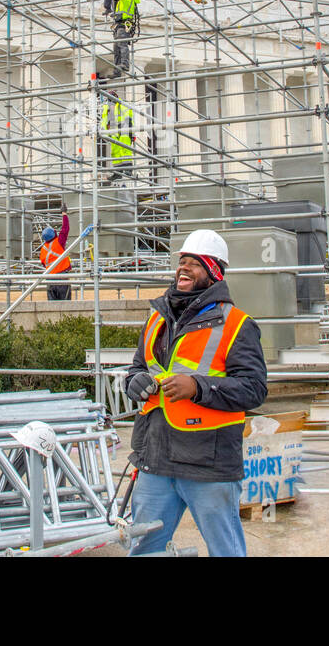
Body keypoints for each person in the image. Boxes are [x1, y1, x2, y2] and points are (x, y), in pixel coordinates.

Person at [124, 229, 268, 557]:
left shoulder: (236, 325)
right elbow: (136, 369)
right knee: (145, 549)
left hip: (208, 465)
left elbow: (255, 389)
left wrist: (198, 387)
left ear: (214, 273)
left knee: (225, 550)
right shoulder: (157, 319)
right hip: (155, 459)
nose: (184, 268)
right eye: (182, 262)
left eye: (195, 263)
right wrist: (134, 383)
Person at [101, 95, 136, 183]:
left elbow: (128, 116)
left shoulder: (122, 104)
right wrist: (104, 131)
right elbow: (104, 120)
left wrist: (131, 130)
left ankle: (128, 169)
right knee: (115, 152)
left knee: (125, 149)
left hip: (124, 128)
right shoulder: (106, 107)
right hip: (113, 130)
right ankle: (118, 172)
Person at [39, 212, 72, 301]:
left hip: (49, 279)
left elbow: (43, 263)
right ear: (54, 234)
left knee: (52, 306)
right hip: (62, 278)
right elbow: (65, 229)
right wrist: (64, 214)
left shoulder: (43, 249)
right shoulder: (59, 242)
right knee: (65, 305)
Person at [109, 0, 140, 73]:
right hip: (119, 25)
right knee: (116, 49)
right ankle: (117, 70)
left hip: (123, 25)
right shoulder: (126, 0)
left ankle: (125, 64)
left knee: (122, 45)